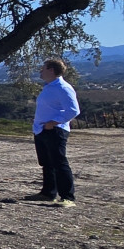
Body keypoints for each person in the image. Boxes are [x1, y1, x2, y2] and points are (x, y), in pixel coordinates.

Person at [25, 58, 81, 207]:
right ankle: (48, 193)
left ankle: (68, 197)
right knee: (47, 163)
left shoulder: (63, 87)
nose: (40, 71)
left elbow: (73, 110)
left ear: (51, 70)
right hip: (42, 129)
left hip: (55, 130)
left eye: (43, 68)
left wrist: (55, 122)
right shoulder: (48, 87)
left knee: (59, 162)